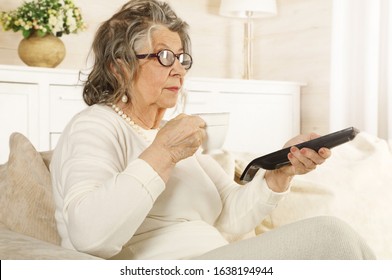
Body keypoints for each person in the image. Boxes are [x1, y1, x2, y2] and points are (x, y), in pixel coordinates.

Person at [50, 0, 375, 260]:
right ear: (119, 66)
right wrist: (162, 153)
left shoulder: (174, 136)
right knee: (333, 236)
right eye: (164, 56)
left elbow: (231, 216)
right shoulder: (96, 125)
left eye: (182, 58)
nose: (178, 69)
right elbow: (88, 235)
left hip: (219, 258)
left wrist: (279, 175)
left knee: (343, 243)